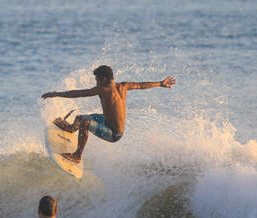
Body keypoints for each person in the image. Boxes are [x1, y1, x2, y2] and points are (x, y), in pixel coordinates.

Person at [41, 65, 176, 163]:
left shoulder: (104, 89)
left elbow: (79, 93)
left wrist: (56, 94)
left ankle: (77, 156)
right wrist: (160, 83)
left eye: (97, 79)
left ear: (104, 78)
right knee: (80, 117)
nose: (96, 82)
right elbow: (141, 85)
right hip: (106, 121)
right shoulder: (123, 85)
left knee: (85, 122)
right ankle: (71, 128)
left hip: (113, 133)